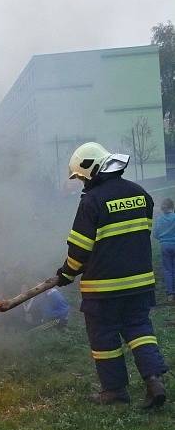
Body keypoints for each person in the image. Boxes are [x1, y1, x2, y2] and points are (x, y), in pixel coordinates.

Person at [56, 142, 168, 408]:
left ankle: (114, 391)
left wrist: (66, 273)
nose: (82, 182)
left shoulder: (92, 201)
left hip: (104, 289)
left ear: (91, 168)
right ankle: (153, 380)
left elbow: (80, 249)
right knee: (140, 330)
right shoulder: (141, 194)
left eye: (82, 176)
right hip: (140, 284)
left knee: (104, 338)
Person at [153, 198, 175, 303]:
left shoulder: (159, 219)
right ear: (172, 206)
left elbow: (155, 235)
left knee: (168, 270)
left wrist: (163, 238)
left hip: (164, 246)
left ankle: (170, 294)